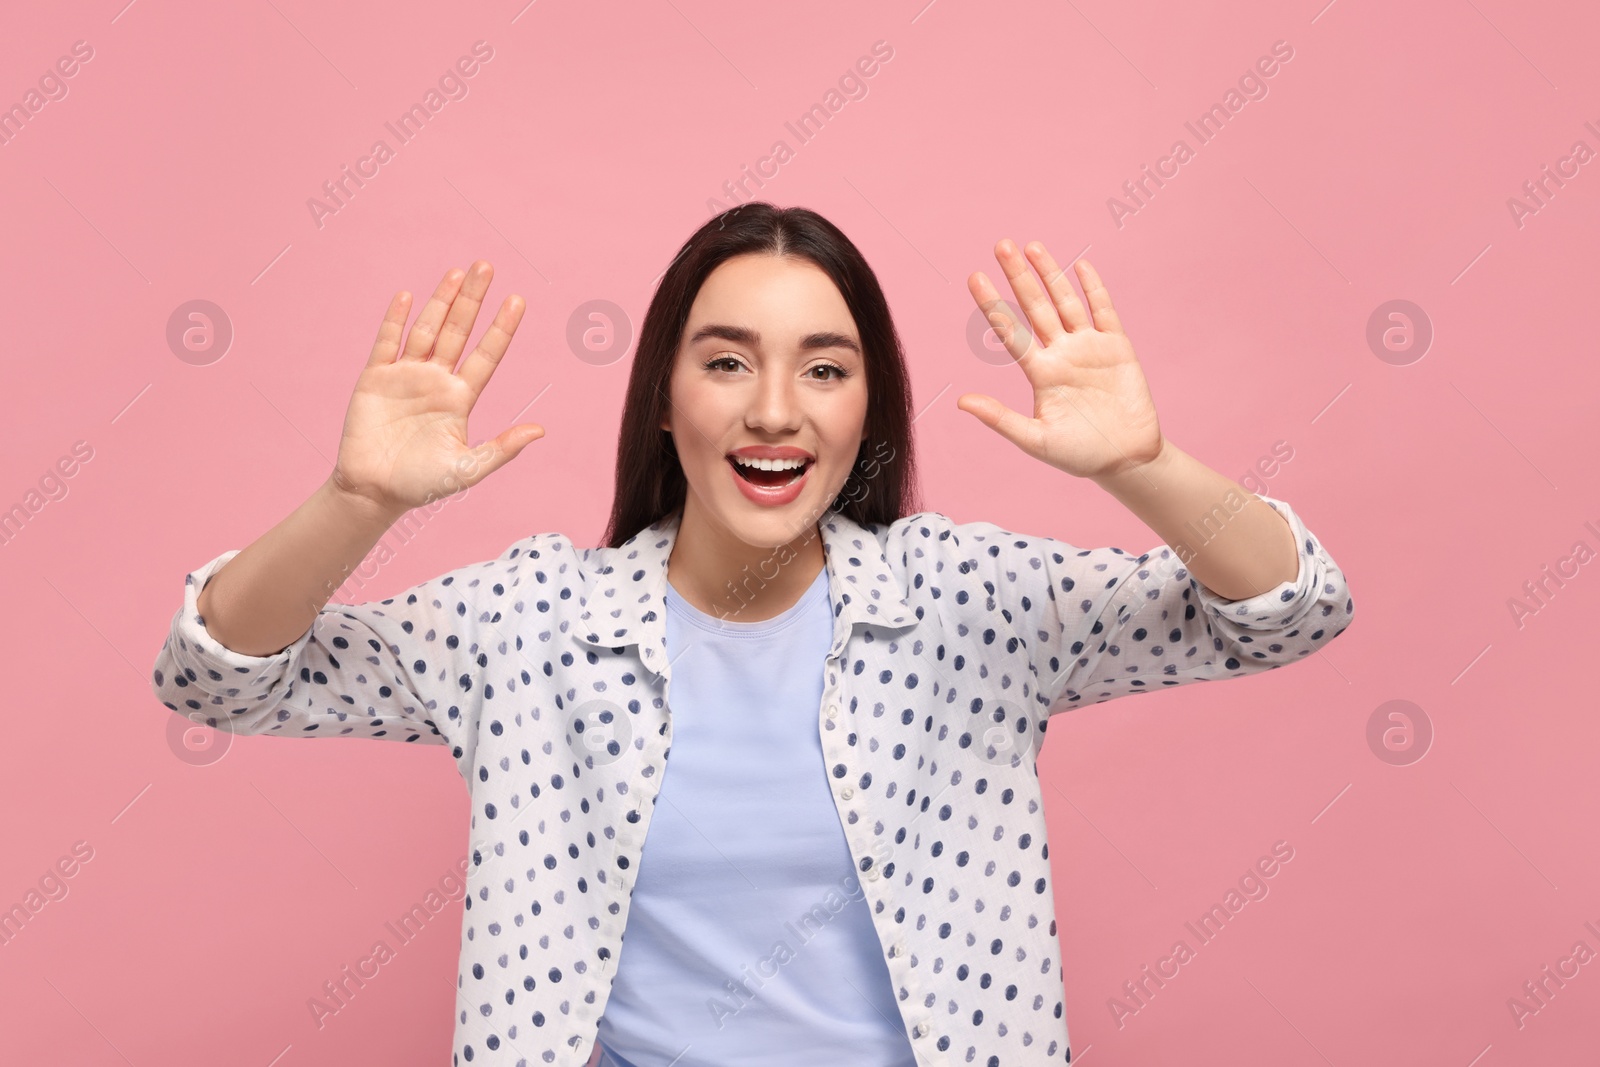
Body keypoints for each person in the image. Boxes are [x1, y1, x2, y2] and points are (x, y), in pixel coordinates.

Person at [150, 202, 1354, 1067]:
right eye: (726, 361)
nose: (774, 408)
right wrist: (357, 503)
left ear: (864, 404)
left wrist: (1145, 468)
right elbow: (222, 676)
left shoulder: (967, 602)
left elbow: (1289, 609)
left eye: (823, 369)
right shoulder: (533, 621)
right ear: (665, 398)